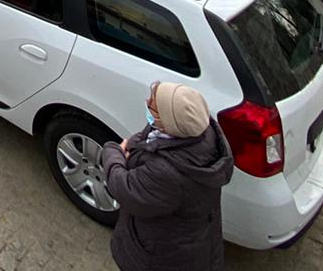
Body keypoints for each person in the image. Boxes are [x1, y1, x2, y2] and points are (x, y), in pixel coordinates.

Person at [100, 80, 233, 271]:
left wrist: (113, 151)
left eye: (152, 106)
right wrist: (131, 146)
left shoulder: (168, 174)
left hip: (161, 257)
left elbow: (124, 187)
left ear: (167, 121)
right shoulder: (199, 132)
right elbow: (146, 137)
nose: (147, 102)